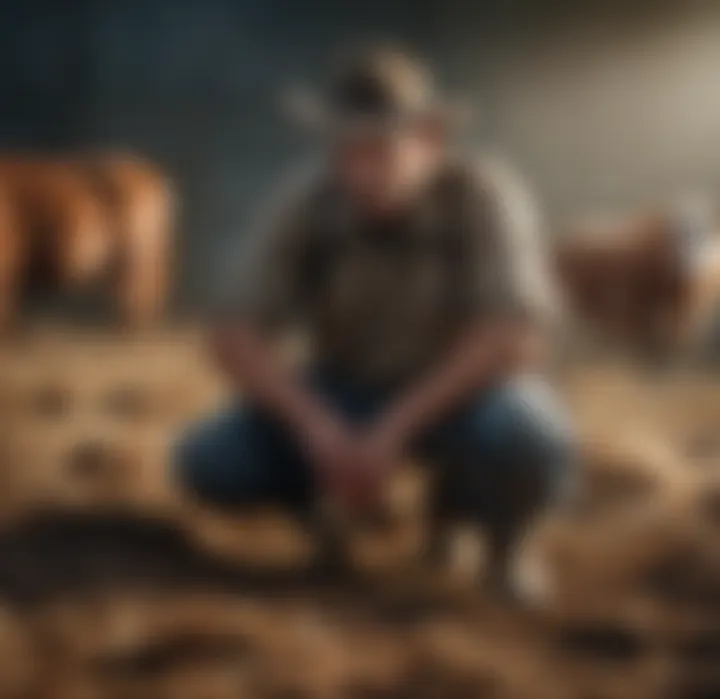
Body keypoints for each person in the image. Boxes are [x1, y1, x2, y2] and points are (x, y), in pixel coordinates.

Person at [175, 47, 575, 596]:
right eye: (346, 151)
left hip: (459, 398)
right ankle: (322, 516)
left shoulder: (484, 197)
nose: (359, 172)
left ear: (428, 140)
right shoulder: (309, 199)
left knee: (526, 437)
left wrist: (392, 431)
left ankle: (498, 541)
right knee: (213, 461)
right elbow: (231, 332)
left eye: (379, 150)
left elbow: (512, 333)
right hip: (345, 392)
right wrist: (318, 430)